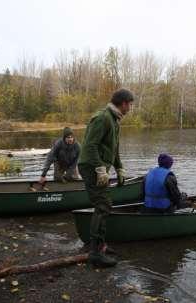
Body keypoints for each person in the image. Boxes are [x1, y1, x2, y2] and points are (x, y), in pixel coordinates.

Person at [78, 88, 134, 268]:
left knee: (105, 204)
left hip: (99, 168)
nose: (130, 108)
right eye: (130, 104)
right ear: (123, 103)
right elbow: (89, 147)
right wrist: (100, 169)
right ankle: (95, 254)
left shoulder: (115, 120)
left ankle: (101, 246)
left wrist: (119, 168)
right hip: (90, 167)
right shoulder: (103, 118)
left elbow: (114, 149)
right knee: (102, 205)